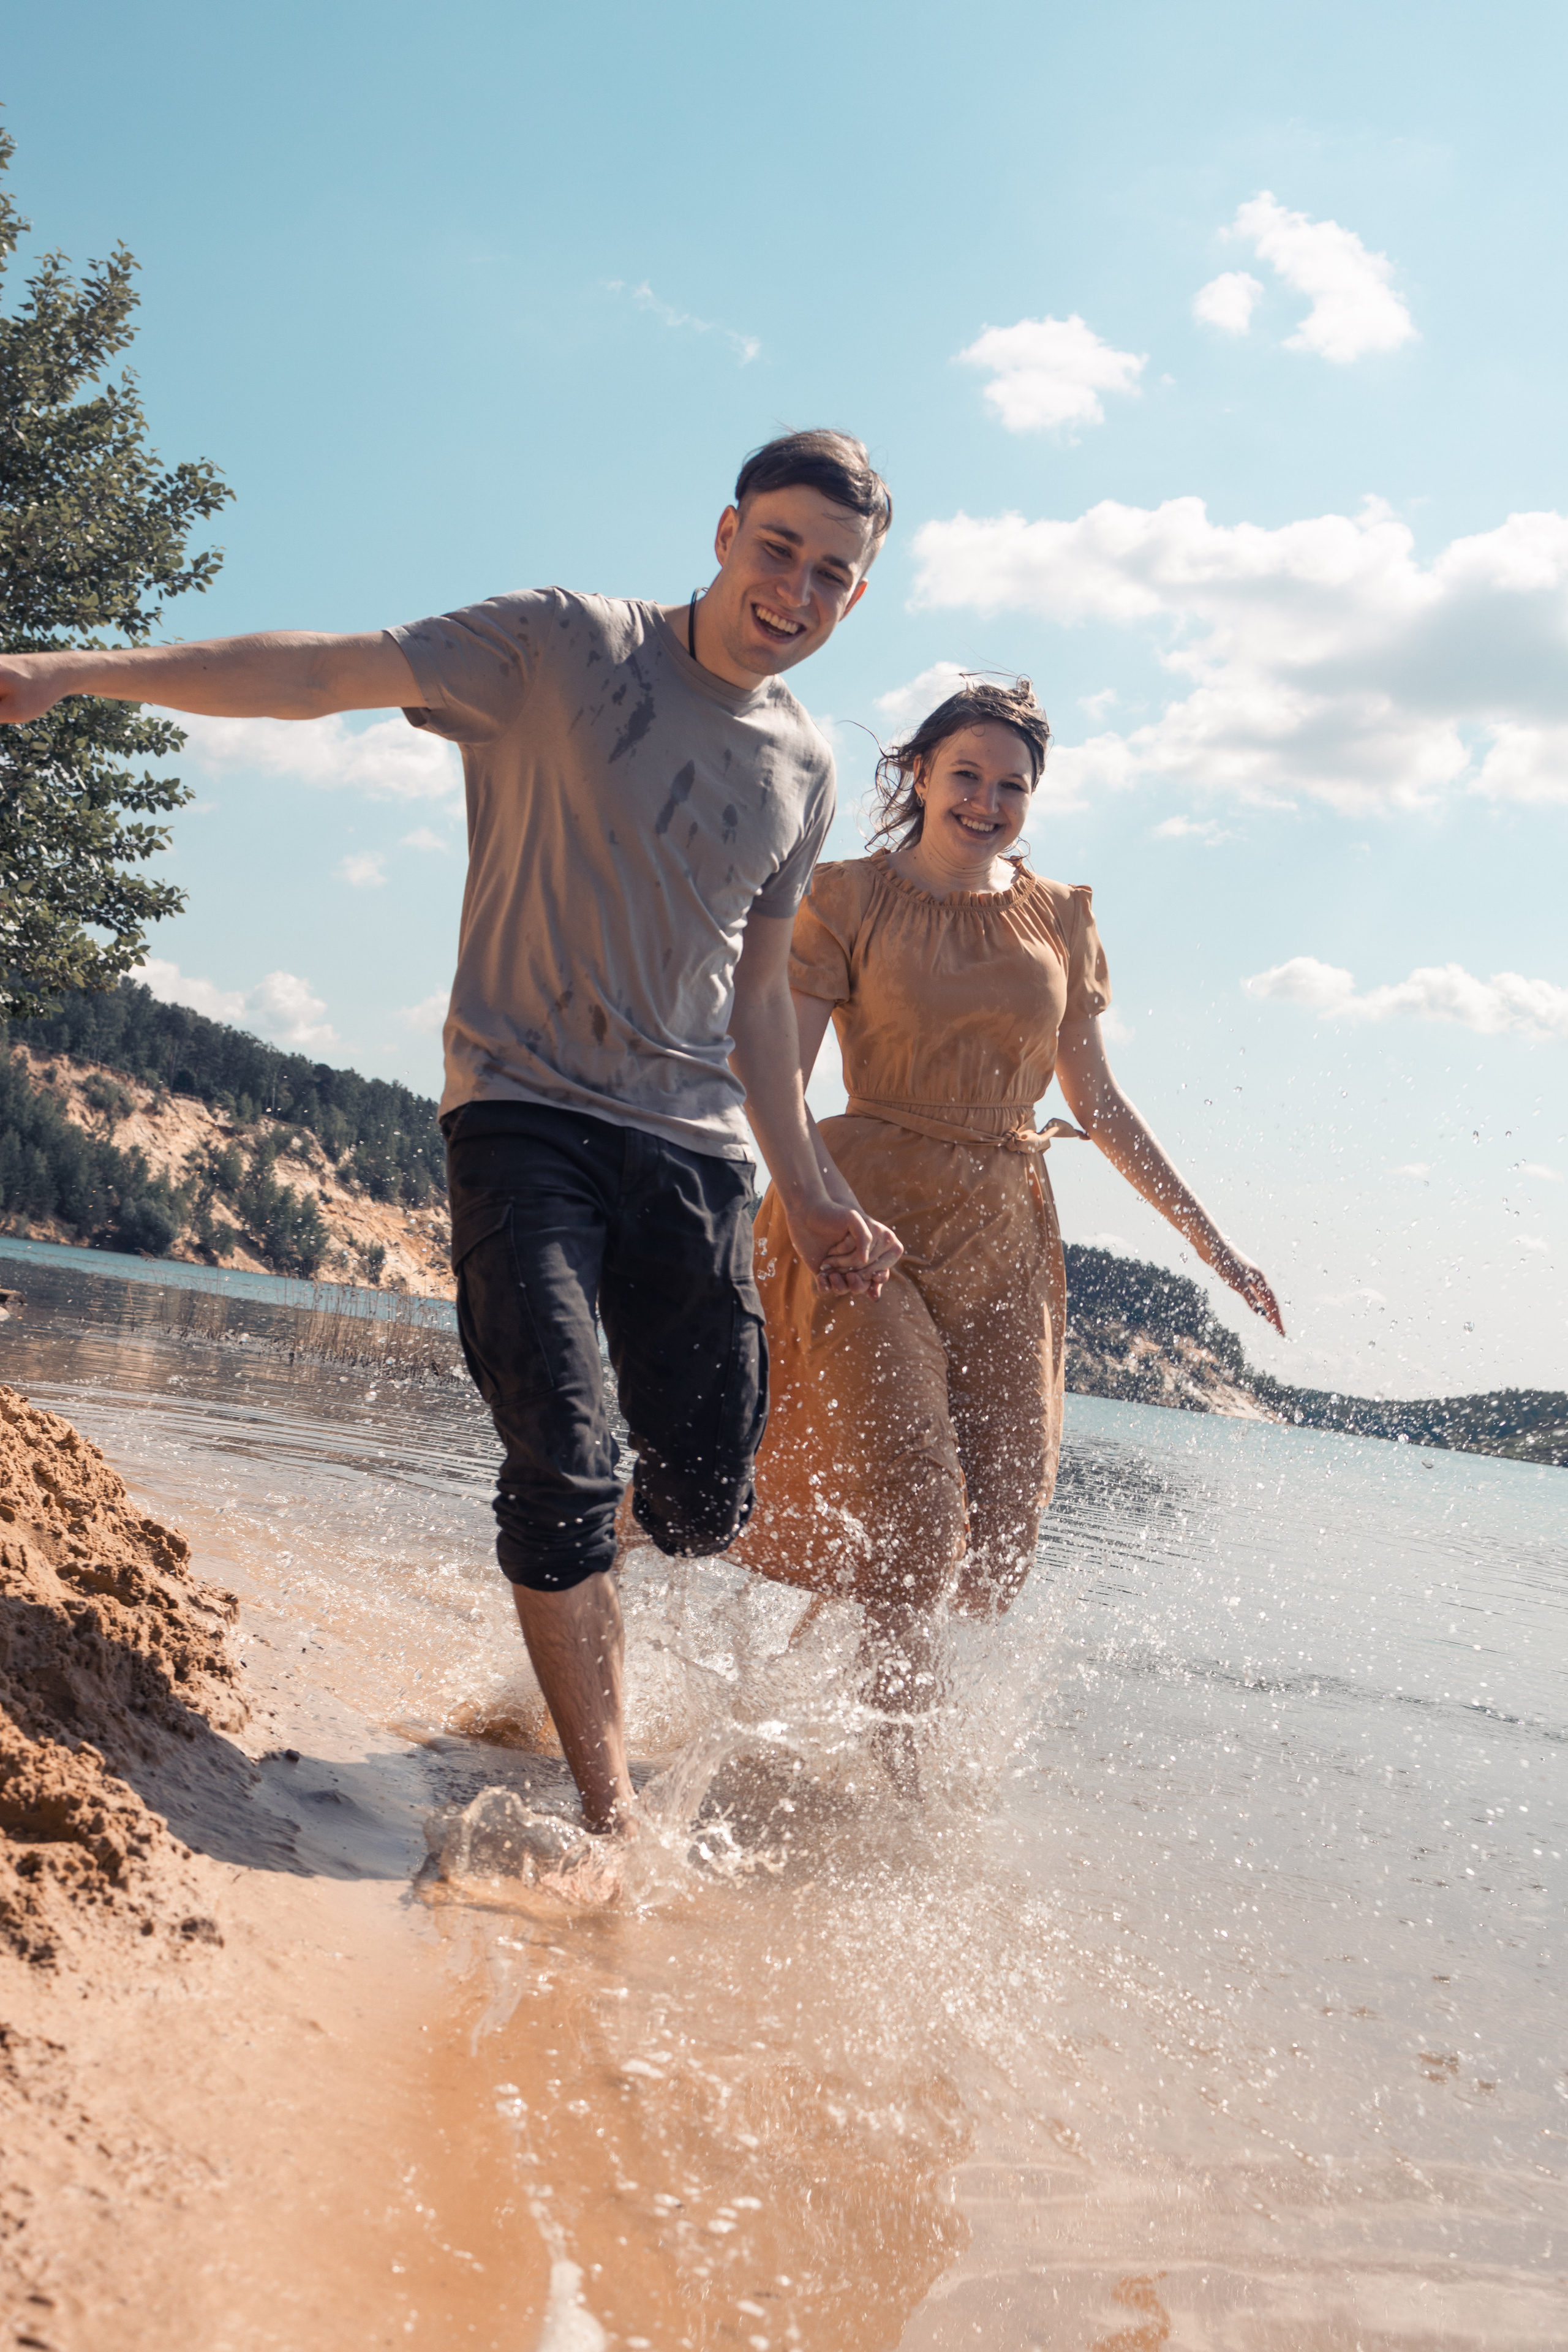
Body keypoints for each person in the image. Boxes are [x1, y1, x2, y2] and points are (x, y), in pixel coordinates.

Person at [0, 428, 904, 1837]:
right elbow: (319, 674)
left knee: (701, 1505)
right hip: (522, 1110)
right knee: (558, 1449)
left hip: (696, 1152)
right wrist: (75, 672)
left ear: (856, 595)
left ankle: (568, 1564)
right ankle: (607, 1807)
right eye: (777, 548)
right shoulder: (560, 647)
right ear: (725, 533)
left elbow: (760, 1016)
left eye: (832, 574)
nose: (795, 588)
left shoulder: (799, 763)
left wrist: (817, 1188)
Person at [731, 675, 1283, 1746]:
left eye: (1011, 785)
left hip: (1006, 1237)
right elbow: (780, 1083)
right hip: (863, 1223)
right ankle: (900, 1797)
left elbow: (1101, 1106)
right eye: (967, 777)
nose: (987, 802)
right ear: (920, 776)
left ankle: (805, 1709)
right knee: (922, 1516)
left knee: (995, 1543)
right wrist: (811, 1207)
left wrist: (1213, 1243)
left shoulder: (1060, 917)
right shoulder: (845, 898)